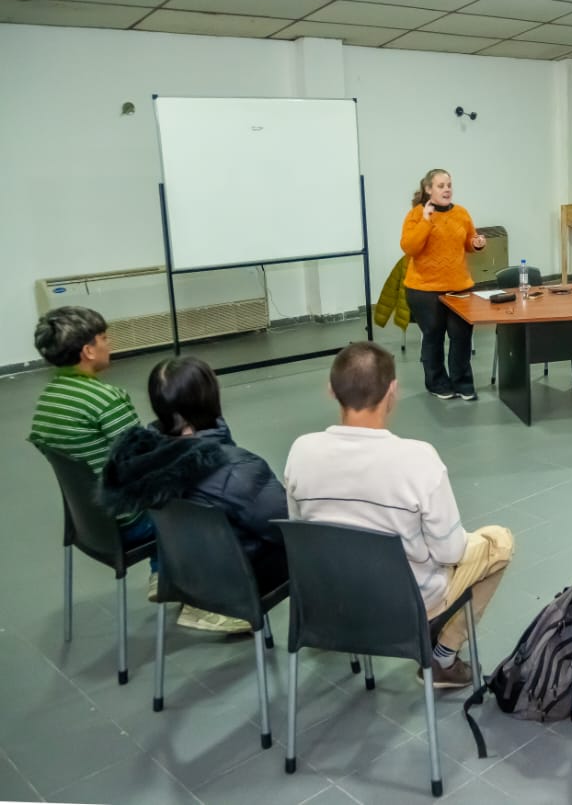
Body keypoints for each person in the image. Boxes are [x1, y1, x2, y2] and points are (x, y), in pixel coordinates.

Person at [284, 342, 513, 688]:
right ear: (392, 390)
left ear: (331, 390)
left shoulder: (301, 451)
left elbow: (301, 533)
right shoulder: (418, 459)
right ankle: (442, 656)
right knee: (499, 542)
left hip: (330, 600)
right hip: (406, 605)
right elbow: (450, 552)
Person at [99, 357, 289, 634]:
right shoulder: (237, 469)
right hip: (238, 577)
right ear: (210, 397)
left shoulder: (142, 462)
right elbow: (282, 525)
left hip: (180, 570)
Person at [27, 307, 157, 585]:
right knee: (206, 501)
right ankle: (176, 581)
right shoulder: (107, 399)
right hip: (129, 522)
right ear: (88, 351)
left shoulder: (48, 398)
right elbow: (144, 464)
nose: (110, 344)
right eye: (104, 338)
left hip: (89, 524)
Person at [401, 169, 487, 401]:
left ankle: (462, 382)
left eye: (449, 185)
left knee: (462, 336)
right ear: (428, 189)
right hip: (424, 289)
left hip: (459, 286)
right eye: (441, 186)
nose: (447, 189)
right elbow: (410, 247)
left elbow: (468, 241)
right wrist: (426, 221)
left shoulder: (461, 213)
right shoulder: (416, 215)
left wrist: (477, 243)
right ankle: (437, 383)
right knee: (434, 337)